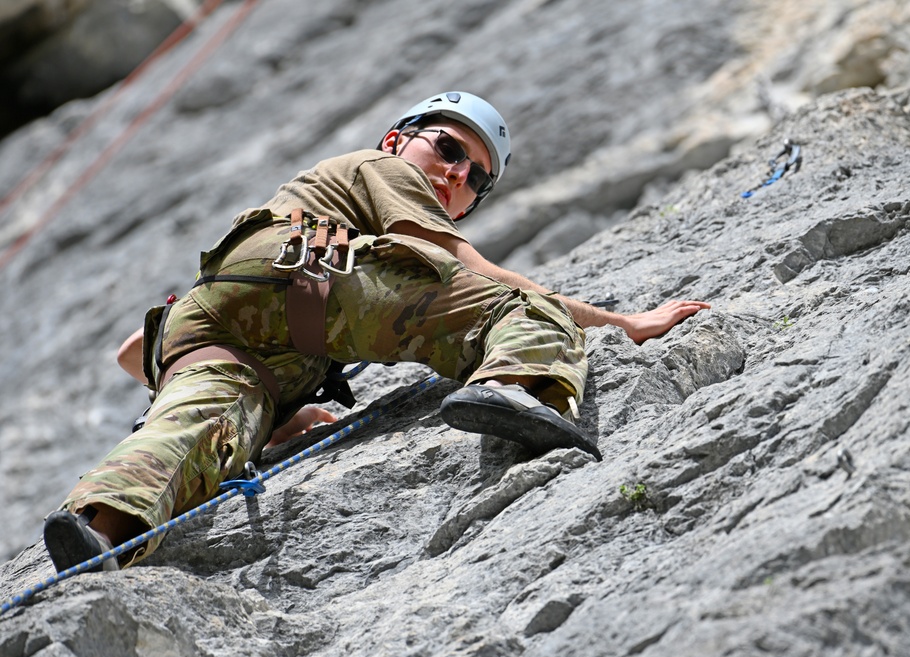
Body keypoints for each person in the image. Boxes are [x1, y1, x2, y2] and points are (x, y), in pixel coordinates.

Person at [42, 92, 710, 573]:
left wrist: (278, 409)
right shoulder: (381, 168)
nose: (454, 175)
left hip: (206, 325)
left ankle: (102, 526)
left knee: (193, 430)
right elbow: (465, 268)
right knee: (520, 306)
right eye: (448, 149)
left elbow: (136, 353)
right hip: (306, 272)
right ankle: (513, 384)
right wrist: (624, 322)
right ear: (400, 139)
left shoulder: (305, 192)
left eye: (474, 180)